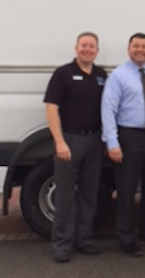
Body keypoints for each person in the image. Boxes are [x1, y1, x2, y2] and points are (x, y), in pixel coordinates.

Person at [101, 33, 145, 257]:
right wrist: (112, 142)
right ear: (128, 49)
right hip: (128, 137)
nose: (140, 50)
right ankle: (126, 238)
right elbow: (108, 109)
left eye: (144, 46)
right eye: (136, 46)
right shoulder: (118, 76)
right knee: (127, 189)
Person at [44, 32, 107, 263]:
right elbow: (51, 108)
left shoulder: (101, 75)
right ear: (76, 48)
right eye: (84, 46)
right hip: (69, 140)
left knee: (90, 194)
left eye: (92, 46)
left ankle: (84, 240)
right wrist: (59, 141)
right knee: (65, 196)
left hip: (94, 140)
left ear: (97, 51)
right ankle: (62, 244)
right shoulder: (63, 74)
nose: (87, 49)